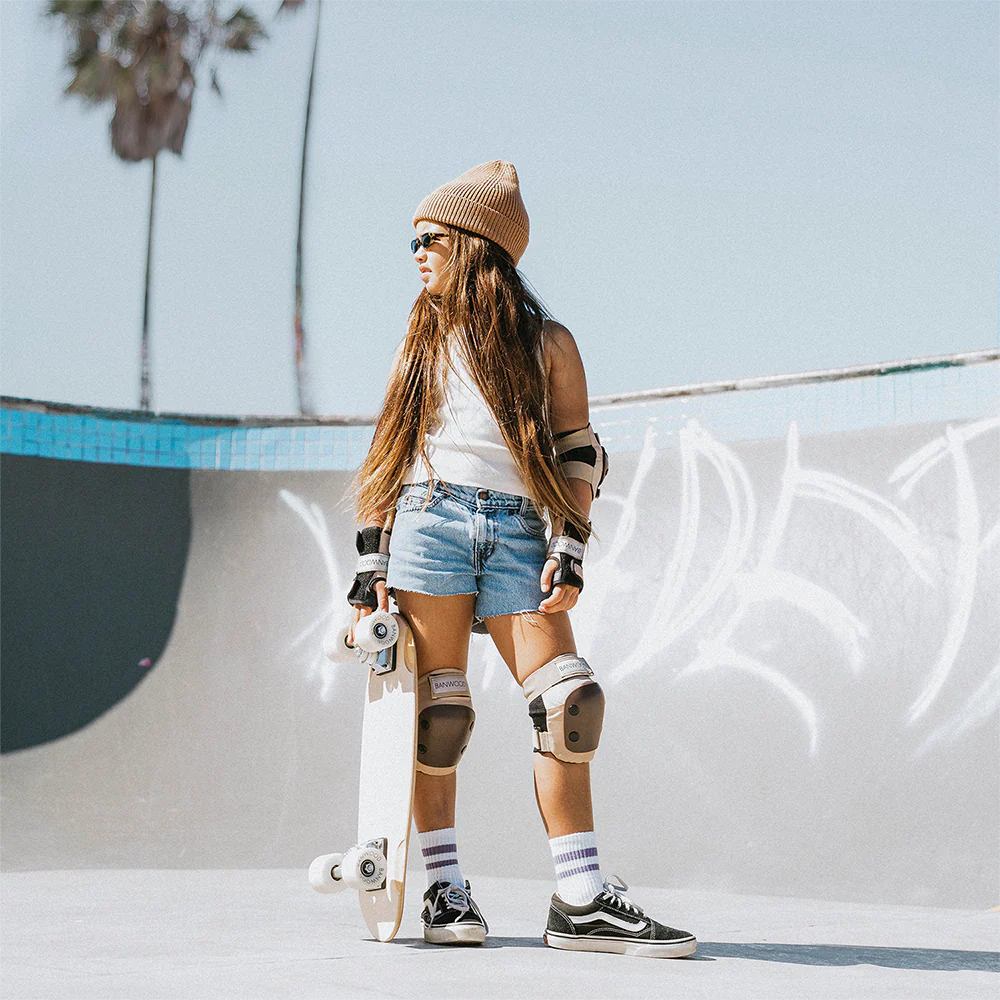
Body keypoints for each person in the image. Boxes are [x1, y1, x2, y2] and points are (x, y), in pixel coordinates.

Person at [346, 160, 696, 958]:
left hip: (518, 534)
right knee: (439, 715)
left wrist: (570, 545)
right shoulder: (423, 339)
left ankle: (580, 898)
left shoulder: (548, 344)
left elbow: (578, 451)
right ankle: (442, 887)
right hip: (429, 519)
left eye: (428, 238)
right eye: (412, 240)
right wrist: (370, 566)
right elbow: (387, 456)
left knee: (568, 703)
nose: (416, 253)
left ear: (474, 244)